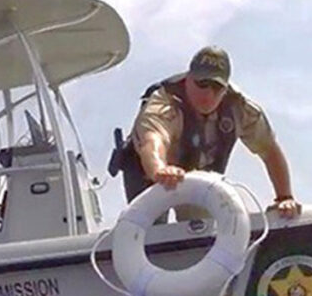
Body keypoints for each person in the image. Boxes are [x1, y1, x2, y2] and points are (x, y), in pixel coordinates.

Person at [109, 46, 301, 220]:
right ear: (188, 78)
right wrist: (159, 169)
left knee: (204, 229)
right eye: (201, 84)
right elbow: (152, 141)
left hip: (199, 177)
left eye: (216, 87)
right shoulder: (165, 103)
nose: (208, 95)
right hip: (148, 174)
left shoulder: (240, 108)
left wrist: (285, 197)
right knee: (150, 228)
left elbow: (269, 150)